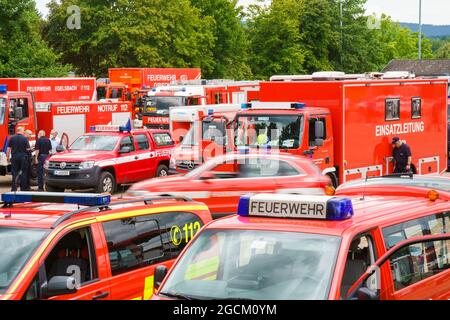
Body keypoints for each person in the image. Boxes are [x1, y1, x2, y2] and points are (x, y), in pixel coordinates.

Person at [6, 127, 31, 191]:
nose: (24, 131)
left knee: (14, 173)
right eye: (23, 130)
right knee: (23, 173)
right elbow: (28, 149)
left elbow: (8, 149)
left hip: (14, 158)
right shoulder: (25, 139)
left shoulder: (12, 138)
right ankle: (23, 189)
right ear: (21, 131)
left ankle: (14, 189)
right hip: (23, 158)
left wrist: (7, 157)